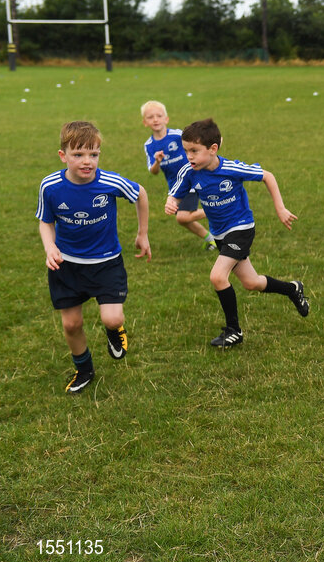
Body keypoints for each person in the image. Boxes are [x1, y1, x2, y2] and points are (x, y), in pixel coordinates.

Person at [165, 118, 308, 348]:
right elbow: (176, 194)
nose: (189, 156)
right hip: (221, 234)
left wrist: (280, 208)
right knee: (252, 283)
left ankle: (234, 331)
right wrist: (171, 202)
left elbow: (267, 176)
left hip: (241, 228)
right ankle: (293, 289)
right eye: (186, 151)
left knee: (217, 276)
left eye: (194, 151)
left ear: (213, 149)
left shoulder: (231, 168)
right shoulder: (189, 171)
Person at [38, 121, 151, 393]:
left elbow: (141, 194)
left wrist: (142, 233)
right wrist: (50, 247)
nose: (87, 161)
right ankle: (84, 369)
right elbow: (45, 221)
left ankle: (115, 331)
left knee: (112, 318)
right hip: (66, 265)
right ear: (63, 156)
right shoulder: (50, 186)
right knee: (71, 323)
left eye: (94, 154)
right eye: (78, 155)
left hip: (106, 262)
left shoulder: (110, 181)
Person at [141, 100, 216, 251]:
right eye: (150, 117)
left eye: (159, 115)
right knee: (183, 220)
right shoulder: (149, 145)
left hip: (193, 177)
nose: (155, 119)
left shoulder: (177, 135)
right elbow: (153, 171)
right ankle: (213, 240)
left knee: (182, 217)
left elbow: (197, 144)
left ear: (166, 119)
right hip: (176, 186)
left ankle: (217, 207)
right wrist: (157, 161)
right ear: (145, 122)